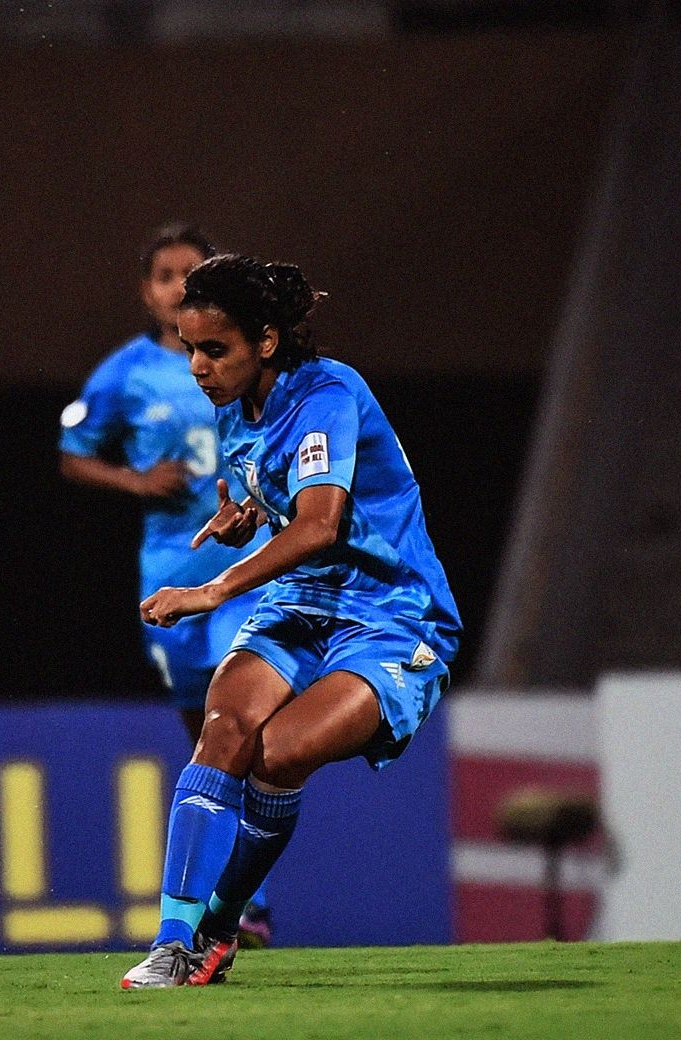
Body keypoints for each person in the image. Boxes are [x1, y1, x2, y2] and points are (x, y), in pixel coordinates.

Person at [119, 254, 460, 987]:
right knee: (224, 730)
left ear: (266, 341)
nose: (200, 368)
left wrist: (213, 590)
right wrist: (243, 518)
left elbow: (317, 525)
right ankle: (173, 943)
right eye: (190, 350)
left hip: (393, 615)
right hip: (303, 602)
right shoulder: (233, 406)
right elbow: (282, 507)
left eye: (216, 350)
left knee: (278, 756)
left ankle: (221, 923)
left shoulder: (329, 393)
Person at [60, 224, 276, 944]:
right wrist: (136, 480)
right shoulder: (125, 372)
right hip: (170, 575)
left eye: (193, 272)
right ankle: (227, 891)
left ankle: (249, 902)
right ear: (146, 291)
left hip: (245, 573)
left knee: (236, 715)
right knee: (206, 733)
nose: (179, 286)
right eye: (165, 276)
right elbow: (73, 453)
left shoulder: (245, 356)